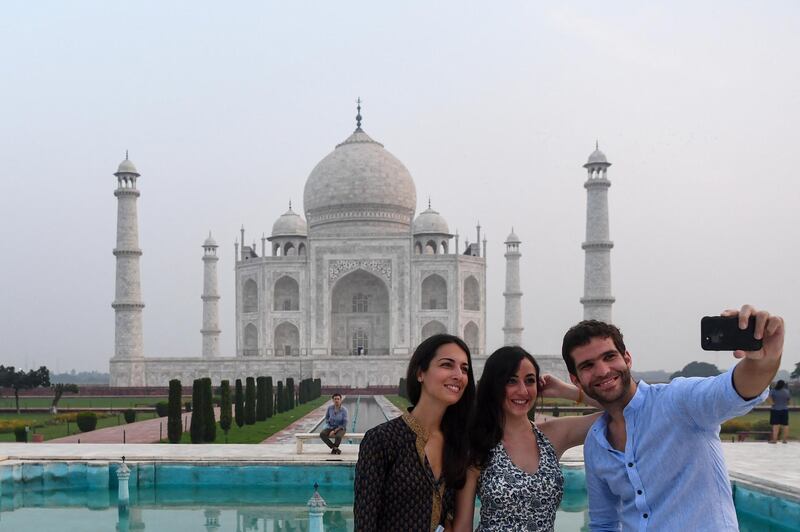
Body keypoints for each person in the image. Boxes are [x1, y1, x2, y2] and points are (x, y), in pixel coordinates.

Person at [561, 305, 784, 531]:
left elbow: (735, 391)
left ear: (627, 358)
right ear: (576, 380)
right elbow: (603, 523)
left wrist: (763, 362)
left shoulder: (678, 402)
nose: (602, 370)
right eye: (588, 366)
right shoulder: (596, 444)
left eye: (609, 356)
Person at [453, 346, 601, 532]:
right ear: (493, 386)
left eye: (530, 381)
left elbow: (622, 410)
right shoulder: (477, 443)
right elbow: (463, 527)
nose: (523, 390)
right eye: (511, 381)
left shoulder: (552, 436)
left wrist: (566, 391)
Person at [354, 334, 476, 531]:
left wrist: (534, 389)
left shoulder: (461, 444)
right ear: (420, 373)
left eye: (464, 369)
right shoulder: (383, 440)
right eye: (447, 365)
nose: (458, 375)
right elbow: (364, 525)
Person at [769, 379, 791, 443]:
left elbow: (768, 397)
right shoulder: (786, 391)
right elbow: (789, 401)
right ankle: (785, 440)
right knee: (785, 425)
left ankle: (774, 440)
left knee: (775, 425)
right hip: (785, 410)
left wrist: (772, 403)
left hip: (775, 410)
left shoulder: (773, 391)